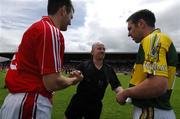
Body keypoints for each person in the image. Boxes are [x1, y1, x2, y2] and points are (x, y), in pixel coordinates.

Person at [0, 0, 83, 119]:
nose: (70, 22)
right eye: (71, 17)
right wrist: (74, 80)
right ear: (63, 10)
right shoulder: (50, 30)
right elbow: (52, 82)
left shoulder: (38, 27)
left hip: (17, 101)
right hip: (30, 102)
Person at [116, 9, 178, 119]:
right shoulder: (157, 39)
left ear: (141, 24)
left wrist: (125, 93)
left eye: (130, 28)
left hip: (151, 111)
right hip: (155, 110)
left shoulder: (152, 39)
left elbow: (157, 84)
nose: (128, 34)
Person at [65, 42, 123, 119]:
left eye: (104, 49)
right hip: (79, 101)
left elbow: (116, 86)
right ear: (92, 52)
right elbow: (73, 81)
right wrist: (77, 78)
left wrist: (122, 93)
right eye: (99, 48)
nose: (102, 51)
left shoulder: (109, 69)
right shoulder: (84, 65)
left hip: (96, 105)